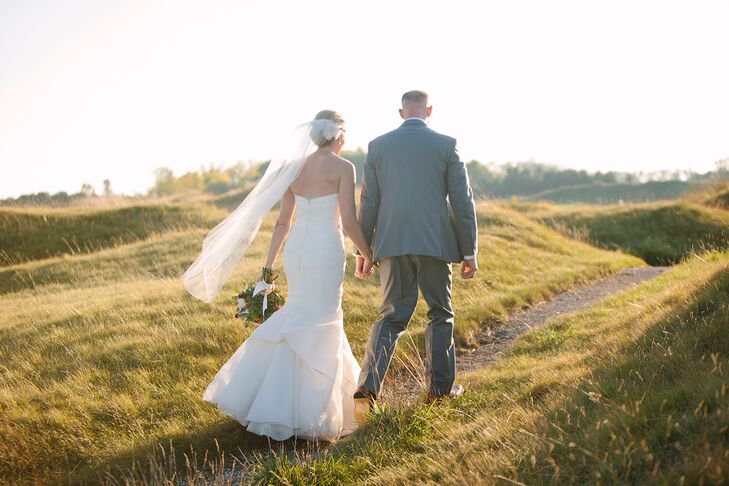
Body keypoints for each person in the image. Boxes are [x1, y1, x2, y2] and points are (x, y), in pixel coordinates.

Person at [186, 110, 374, 441]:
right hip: (325, 249)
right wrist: (369, 254)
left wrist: (268, 268)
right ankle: (320, 409)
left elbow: (282, 223)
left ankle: (276, 403)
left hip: (297, 249)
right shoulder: (344, 168)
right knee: (324, 317)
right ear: (339, 136)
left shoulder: (294, 168)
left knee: (299, 314)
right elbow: (348, 221)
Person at [353, 90, 479, 419]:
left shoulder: (378, 146)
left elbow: (368, 203)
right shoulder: (447, 145)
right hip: (435, 245)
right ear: (429, 111)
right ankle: (439, 391)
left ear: (400, 112)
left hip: (392, 245)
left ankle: (368, 385)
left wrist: (362, 252)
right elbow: (462, 202)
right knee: (440, 312)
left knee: (391, 316)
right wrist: (469, 251)